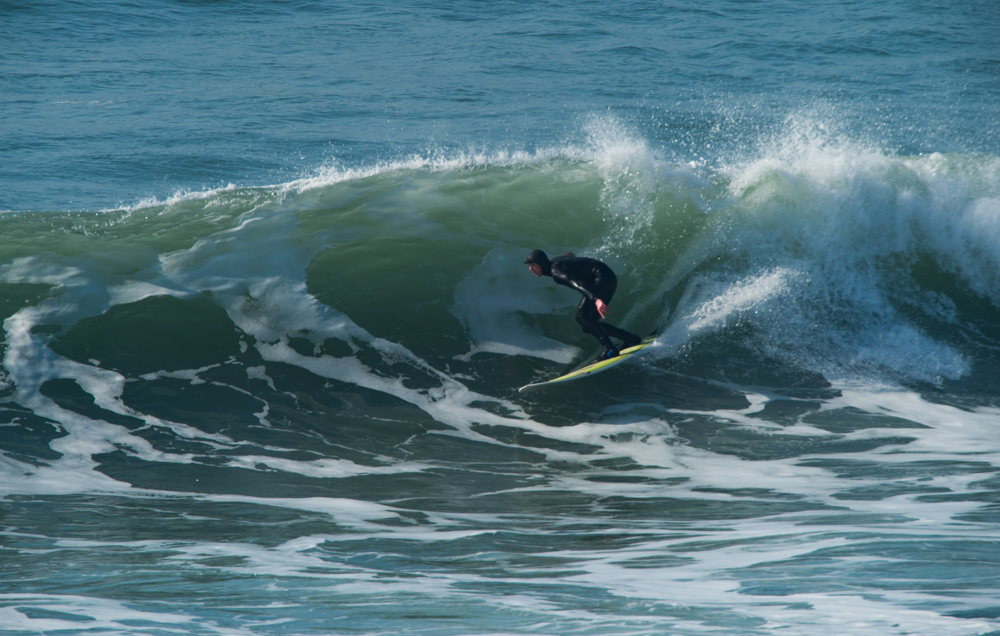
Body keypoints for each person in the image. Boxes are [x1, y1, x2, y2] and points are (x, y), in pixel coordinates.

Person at [525, 249, 641, 360]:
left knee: (581, 316)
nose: (531, 269)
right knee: (588, 325)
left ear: (541, 263)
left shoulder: (556, 272)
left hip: (602, 278)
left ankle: (610, 349)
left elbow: (577, 283)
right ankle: (630, 339)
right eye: (529, 266)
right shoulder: (556, 261)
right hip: (607, 277)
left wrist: (596, 299)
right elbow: (569, 256)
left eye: (533, 265)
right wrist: (568, 254)